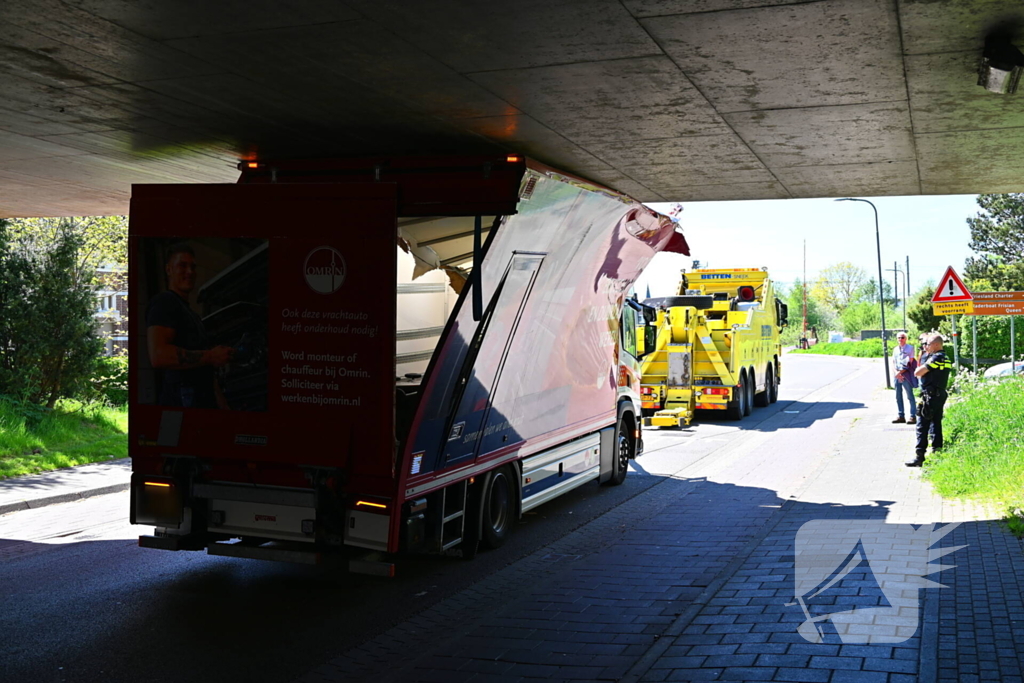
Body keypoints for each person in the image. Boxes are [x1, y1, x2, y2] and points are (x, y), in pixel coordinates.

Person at [146, 243, 234, 409]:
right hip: (180, 406)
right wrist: (211, 356)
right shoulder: (165, 302)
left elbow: (206, 370)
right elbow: (159, 355)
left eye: (193, 267)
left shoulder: (191, 314)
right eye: (182, 265)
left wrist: (223, 407)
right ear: (168, 269)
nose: (190, 272)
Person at [906, 332, 952, 467]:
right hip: (939, 394)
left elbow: (918, 372)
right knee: (935, 423)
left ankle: (919, 456)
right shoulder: (945, 357)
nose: (925, 346)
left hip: (930, 395)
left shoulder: (936, 358)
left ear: (937, 344)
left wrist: (921, 367)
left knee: (922, 425)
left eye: (928, 344)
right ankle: (937, 452)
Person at [891, 332, 918, 424]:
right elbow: (893, 362)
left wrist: (900, 373)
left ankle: (912, 416)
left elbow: (910, 362)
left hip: (906, 374)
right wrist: (896, 373)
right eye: (898, 338)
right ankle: (900, 415)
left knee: (909, 395)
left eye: (902, 338)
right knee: (898, 396)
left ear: (905, 339)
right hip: (897, 375)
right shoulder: (895, 349)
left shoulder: (910, 348)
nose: (900, 339)